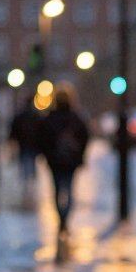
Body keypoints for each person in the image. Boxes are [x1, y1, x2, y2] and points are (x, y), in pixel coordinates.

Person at [37, 82, 90, 238]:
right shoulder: (76, 117)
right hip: (71, 160)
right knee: (69, 189)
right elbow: (85, 137)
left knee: (57, 190)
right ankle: (65, 219)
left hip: (54, 161)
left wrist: (46, 154)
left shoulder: (50, 118)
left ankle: (61, 218)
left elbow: (42, 139)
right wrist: (80, 154)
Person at [8, 98, 43, 187]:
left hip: (23, 144)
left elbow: (14, 130)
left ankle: (26, 183)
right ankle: (30, 183)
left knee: (24, 163)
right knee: (31, 163)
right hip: (33, 145)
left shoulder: (20, 115)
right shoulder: (36, 115)